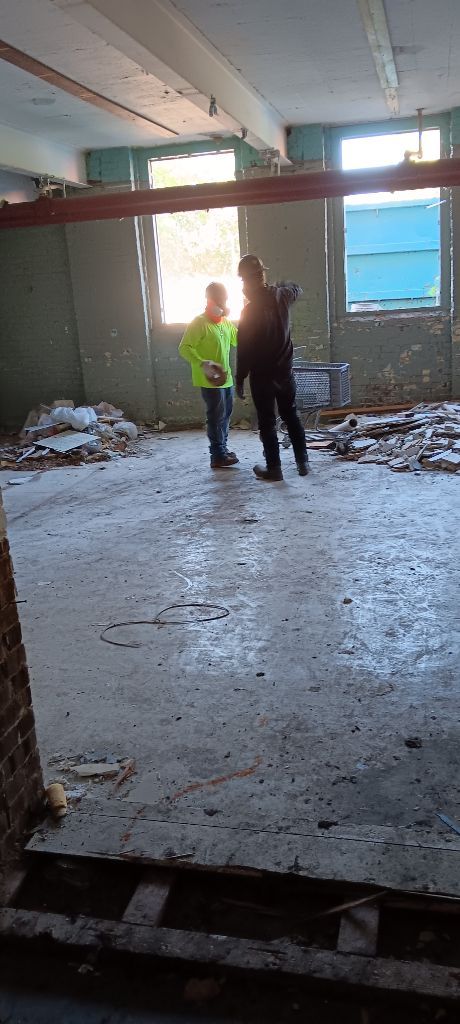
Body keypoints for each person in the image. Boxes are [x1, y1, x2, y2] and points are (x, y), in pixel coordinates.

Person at [236, 254, 309, 481]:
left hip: (262, 377)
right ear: (262, 275)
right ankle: (303, 462)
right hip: (285, 372)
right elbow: (297, 288)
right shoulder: (282, 296)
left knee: (267, 422)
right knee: (291, 415)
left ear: (246, 282)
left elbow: (244, 350)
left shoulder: (249, 312)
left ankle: (274, 469)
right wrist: (282, 286)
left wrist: (239, 378)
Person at [179, 282, 238, 469]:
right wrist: (201, 363)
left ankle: (223, 449)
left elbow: (238, 340)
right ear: (208, 300)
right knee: (216, 416)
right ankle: (217, 455)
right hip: (210, 380)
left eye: (223, 300)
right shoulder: (199, 322)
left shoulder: (226, 323)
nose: (220, 303)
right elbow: (184, 348)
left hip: (226, 378)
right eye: (216, 300)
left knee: (226, 415)